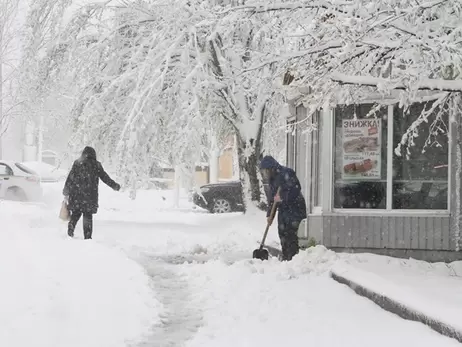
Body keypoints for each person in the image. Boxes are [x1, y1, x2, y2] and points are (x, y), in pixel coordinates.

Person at [63, 146, 121, 239]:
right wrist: (114, 185)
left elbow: (70, 178)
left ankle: (71, 228)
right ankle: (87, 237)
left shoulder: (77, 163)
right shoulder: (96, 165)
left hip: (76, 195)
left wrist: (66, 190)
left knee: (75, 213)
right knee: (87, 216)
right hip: (89, 196)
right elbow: (105, 177)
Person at [259, 155, 307, 261]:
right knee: (282, 233)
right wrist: (269, 215)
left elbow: (296, 189)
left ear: (271, 168)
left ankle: (294, 258)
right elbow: (273, 199)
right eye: (263, 172)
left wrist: (282, 197)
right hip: (283, 209)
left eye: (266, 171)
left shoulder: (287, 173)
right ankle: (286, 257)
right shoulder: (272, 180)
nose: (265, 174)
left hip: (295, 208)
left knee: (291, 234)